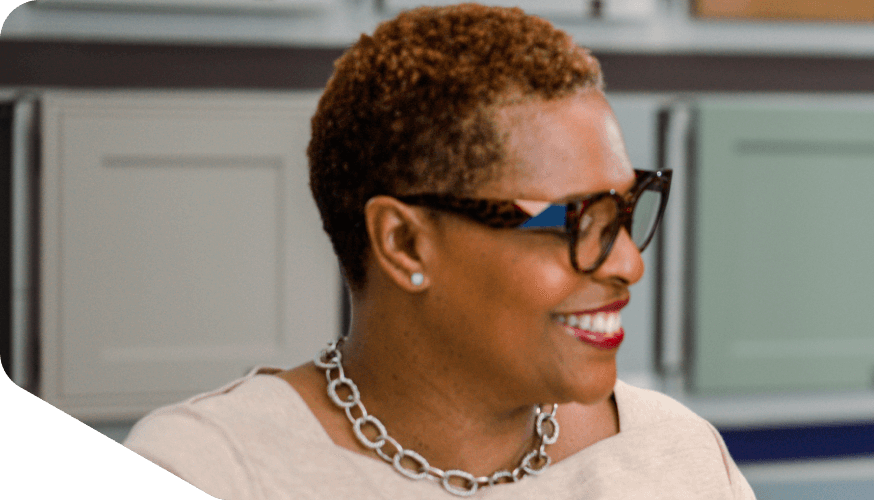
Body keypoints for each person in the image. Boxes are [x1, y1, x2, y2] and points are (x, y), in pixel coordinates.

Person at [123, 4, 755, 498]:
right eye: (572, 220)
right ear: (404, 244)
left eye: (623, 210)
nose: (628, 264)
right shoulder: (212, 468)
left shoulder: (677, 457)